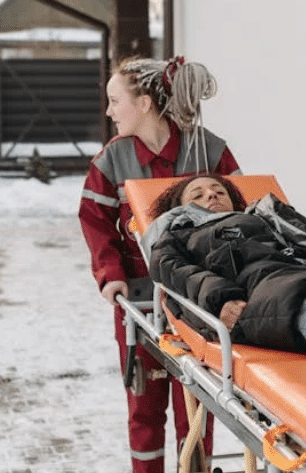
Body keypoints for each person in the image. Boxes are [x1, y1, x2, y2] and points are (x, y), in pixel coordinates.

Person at [79, 56, 240, 473]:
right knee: (144, 409)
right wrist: (110, 275)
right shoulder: (111, 160)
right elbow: (95, 221)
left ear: (145, 103)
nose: (109, 111)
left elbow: (242, 212)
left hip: (201, 298)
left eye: (115, 100)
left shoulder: (210, 150)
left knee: (197, 407)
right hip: (139, 298)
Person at [147, 174, 306, 374]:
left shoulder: (265, 217)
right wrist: (219, 300)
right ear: (179, 209)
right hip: (269, 291)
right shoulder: (179, 236)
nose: (212, 194)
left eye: (220, 191)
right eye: (198, 195)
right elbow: (174, 273)